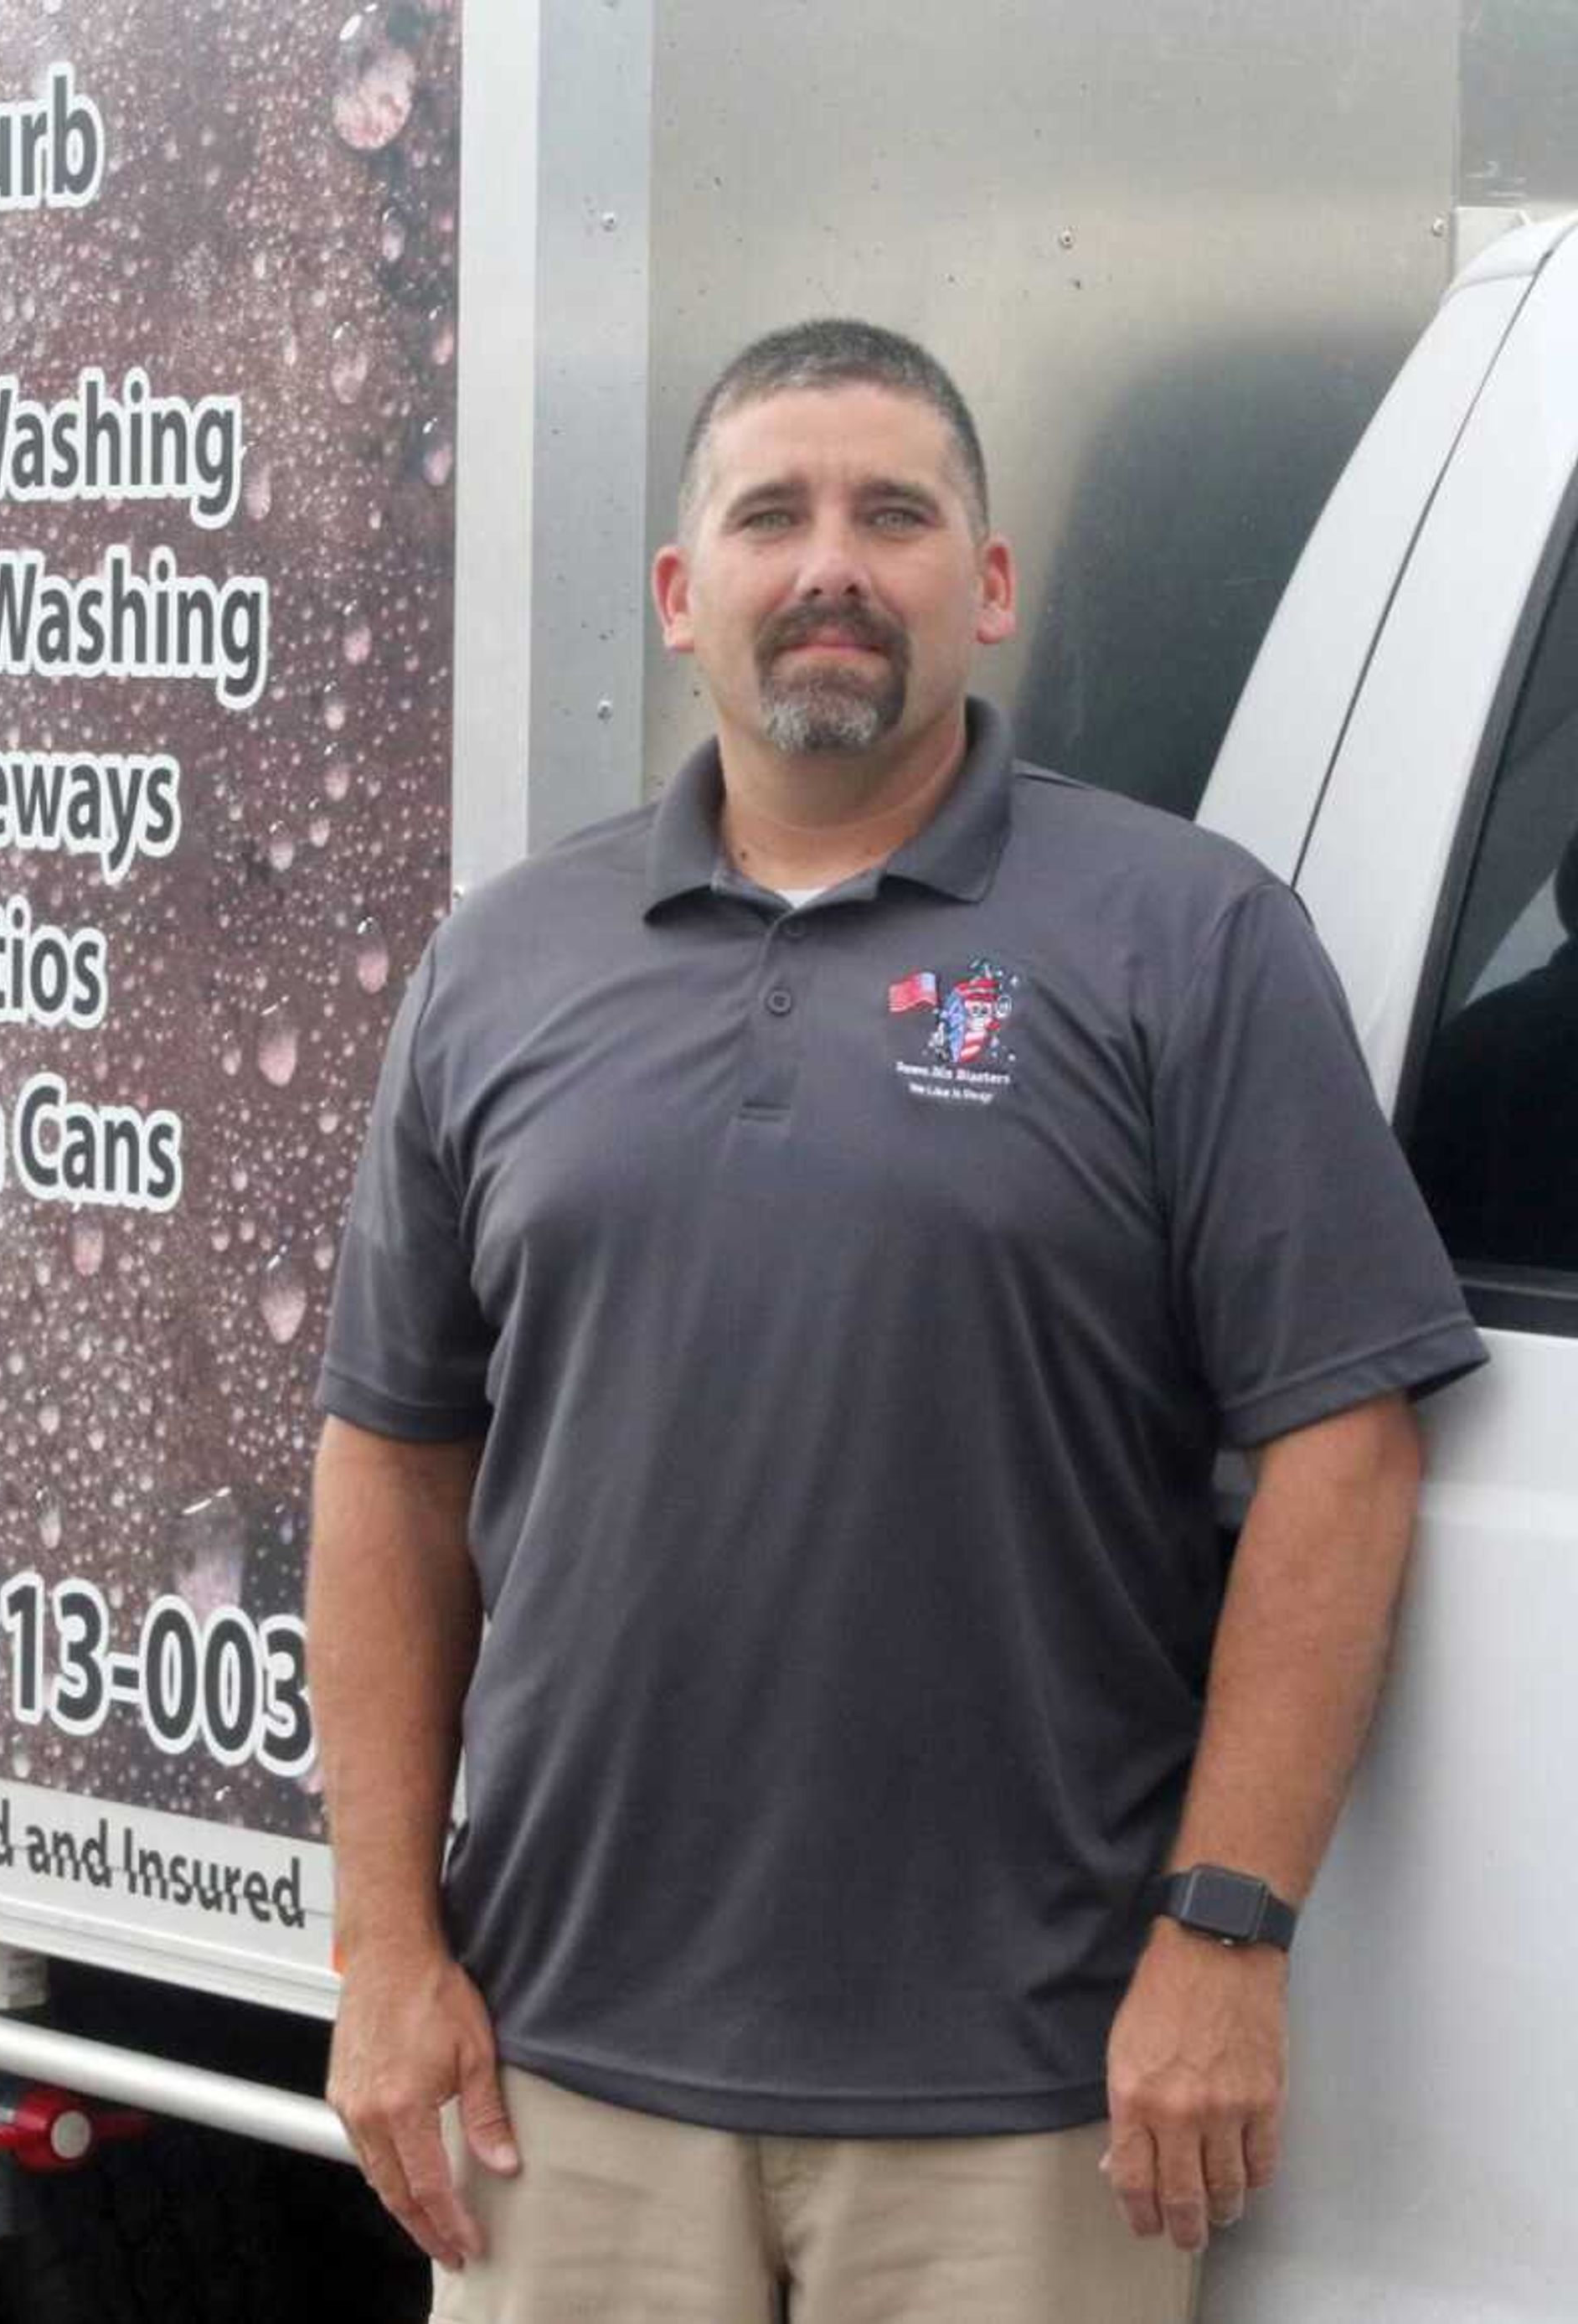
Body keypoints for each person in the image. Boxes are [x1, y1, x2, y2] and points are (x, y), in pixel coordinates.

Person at [308, 318, 1486, 2323]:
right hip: (558, 2075)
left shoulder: (1184, 941)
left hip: (1027, 2099)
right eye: (771, 514)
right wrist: (386, 1953)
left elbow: (1346, 1450)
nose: (830, 562)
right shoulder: (505, 963)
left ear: (990, 583)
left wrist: (1224, 1937)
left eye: (895, 513)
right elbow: (392, 1467)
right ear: (687, 599)